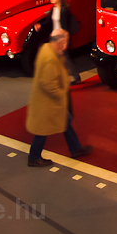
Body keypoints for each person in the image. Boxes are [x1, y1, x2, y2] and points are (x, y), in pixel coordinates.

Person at [25, 29, 92, 167]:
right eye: (65, 41)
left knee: (65, 121)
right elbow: (48, 84)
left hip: (46, 101)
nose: (66, 45)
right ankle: (34, 157)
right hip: (48, 103)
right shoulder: (50, 58)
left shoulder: (46, 48)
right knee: (42, 130)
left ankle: (75, 148)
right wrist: (62, 94)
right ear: (59, 41)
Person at [34, 0, 81, 83]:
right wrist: (40, 25)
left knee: (65, 58)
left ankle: (75, 77)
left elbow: (65, 27)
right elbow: (48, 23)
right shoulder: (53, 9)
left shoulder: (64, 11)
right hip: (54, 37)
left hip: (61, 38)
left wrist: (65, 41)